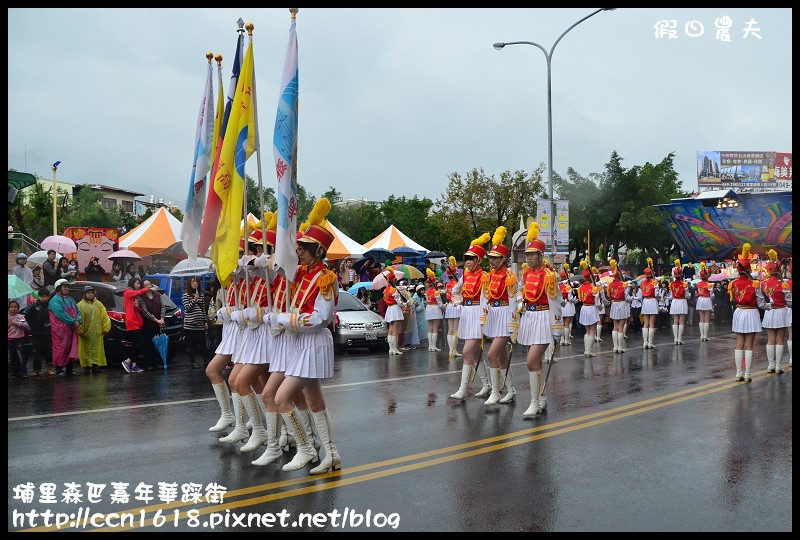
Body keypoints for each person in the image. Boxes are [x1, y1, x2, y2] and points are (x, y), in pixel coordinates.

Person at [266, 199, 342, 474]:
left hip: (314, 341)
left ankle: (307, 448)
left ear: (318, 251)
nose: (298, 251)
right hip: (299, 342)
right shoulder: (299, 274)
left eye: (303, 248)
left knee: (281, 397)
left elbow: (321, 318)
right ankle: (330, 454)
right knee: (314, 401)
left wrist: (286, 320)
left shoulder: (326, 277)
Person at [515, 223, 557, 416]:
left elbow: (556, 301)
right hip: (529, 317)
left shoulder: (549, 275)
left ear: (541, 256)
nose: (529, 257)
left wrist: (557, 325)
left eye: (532, 255)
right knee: (535, 362)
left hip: (543, 317)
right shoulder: (526, 273)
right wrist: (518, 303)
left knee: (532, 361)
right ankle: (541, 398)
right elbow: (521, 291)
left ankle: (534, 402)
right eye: (527, 254)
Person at [449, 232, 492, 400]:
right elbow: (455, 290)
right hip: (466, 314)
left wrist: (483, 318)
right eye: (466, 258)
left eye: (470, 258)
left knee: (467, 352)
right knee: (475, 354)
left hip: (477, 314)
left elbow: (486, 298)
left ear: (478, 260)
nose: (467, 262)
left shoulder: (484, 276)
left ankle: (463, 389)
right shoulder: (465, 275)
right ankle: (487, 385)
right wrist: (458, 302)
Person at [481, 226, 518, 405]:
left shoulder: (510, 276)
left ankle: (495, 391)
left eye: (495, 258)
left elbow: (513, 301)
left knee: (491, 354)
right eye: (490, 258)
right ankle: (511, 390)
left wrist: (513, 323)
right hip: (494, 314)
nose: (492, 261)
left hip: (505, 315)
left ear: (503, 259)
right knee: (502, 356)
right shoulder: (490, 275)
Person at [728, 243, 771, 382]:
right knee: (749, 344)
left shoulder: (732, 283)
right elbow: (760, 303)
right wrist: (769, 307)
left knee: (739, 343)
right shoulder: (755, 283)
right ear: (748, 269)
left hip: (739, 311)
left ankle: (738, 373)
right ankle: (747, 374)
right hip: (751, 312)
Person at [760, 250, 790, 374]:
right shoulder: (783, 284)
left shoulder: (763, 284)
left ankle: (771, 365)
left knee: (770, 339)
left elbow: (762, 299)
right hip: (781, 311)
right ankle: (778, 366)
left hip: (769, 311)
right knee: (780, 339)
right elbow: (789, 300)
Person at [121, 276, 156, 373]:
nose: (138, 285)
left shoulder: (135, 296)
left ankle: (134, 364)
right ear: (132, 283)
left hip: (138, 322)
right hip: (132, 322)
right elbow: (138, 292)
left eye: (139, 283)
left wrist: (137, 307)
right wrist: (148, 289)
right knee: (141, 342)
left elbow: (139, 310)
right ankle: (128, 361)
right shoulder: (128, 292)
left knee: (136, 344)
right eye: (137, 283)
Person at [48, 278, 81, 377]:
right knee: (61, 348)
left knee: (71, 348)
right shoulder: (55, 300)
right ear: (59, 288)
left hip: (71, 328)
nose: (67, 288)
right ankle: (59, 369)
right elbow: (61, 314)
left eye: (67, 286)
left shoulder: (71, 299)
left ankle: (69, 369)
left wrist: (78, 321)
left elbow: (77, 310)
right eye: (64, 286)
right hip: (60, 330)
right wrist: (73, 321)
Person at [77, 284, 111, 374]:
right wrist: (79, 331)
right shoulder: (80, 305)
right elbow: (77, 319)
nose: (91, 295)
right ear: (84, 294)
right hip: (85, 333)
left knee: (97, 350)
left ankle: (95, 366)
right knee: (85, 350)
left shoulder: (99, 304)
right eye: (88, 293)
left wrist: (105, 328)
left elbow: (104, 316)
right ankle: (86, 367)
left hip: (97, 332)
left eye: (92, 293)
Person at [22, 287, 53, 377]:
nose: (43, 298)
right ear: (38, 296)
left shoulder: (51, 305)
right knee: (37, 352)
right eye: (41, 296)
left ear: (48, 297)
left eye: (45, 296)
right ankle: (36, 370)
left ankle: (50, 368)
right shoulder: (34, 305)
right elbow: (26, 312)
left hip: (47, 332)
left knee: (48, 351)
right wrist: (30, 322)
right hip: (36, 332)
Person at [137, 278, 166, 370]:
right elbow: (144, 312)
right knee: (148, 344)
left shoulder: (157, 294)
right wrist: (156, 320)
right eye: (145, 285)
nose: (147, 287)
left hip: (158, 324)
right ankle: (148, 363)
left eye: (149, 284)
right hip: (148, 324)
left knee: (158, 344)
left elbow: (163, 306)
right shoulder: (141, 297)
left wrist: (161, 318)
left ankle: (157, 362)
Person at [182, 275, 208, 370]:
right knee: (191, 345)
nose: (194, 283)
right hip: (190, 325)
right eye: (192, 282)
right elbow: (188, 308)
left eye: (196, 282)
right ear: (189, 283)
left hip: (200, 325)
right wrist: (194, 299)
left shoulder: (201, 295)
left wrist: (205, 321)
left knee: (203, 344)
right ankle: (193, 362)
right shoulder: (186, 295)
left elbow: (203, 308)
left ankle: (206, 361)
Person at [577, 260, 601, 357]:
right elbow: (598, 302)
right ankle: (589, 351)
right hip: (591, 308)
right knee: (592, 329)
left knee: (587, 330)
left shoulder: (581, 287)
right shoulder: (594, 288)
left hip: (584, 307)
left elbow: (580, 298)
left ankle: (586, 350)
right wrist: (601, 307)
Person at [607, 259, 631, 354]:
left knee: (615, 326)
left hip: (614, 304)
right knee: (621, 326)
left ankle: (615, 346)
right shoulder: (624, 284)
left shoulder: (610, 285)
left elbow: (609, 296)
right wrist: (631, 298)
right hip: (622, 304)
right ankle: (620, 347)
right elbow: (626, 297)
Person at [383, 267, 407, 355]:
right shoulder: (394, 290)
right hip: (395, 308)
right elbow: (399, 302)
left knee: (390, 329)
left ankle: (391, 349)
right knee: (395, 329)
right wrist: (404, 304)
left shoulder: (386, 290)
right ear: (393, 280)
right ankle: (395, 349)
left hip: (389, 308)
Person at [442, 256, 462, 358]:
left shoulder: (447, 284)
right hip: (455, 305)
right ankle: (453, 350)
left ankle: (451, 350)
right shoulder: (457, 284)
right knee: (455, 329)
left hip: (450, 305)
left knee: (450, 328)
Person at [668, 259, 689, 345]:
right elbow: (687, 295)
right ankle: (679, 339)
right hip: (682, 301)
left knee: (675, 320)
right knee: (681, 321)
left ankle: (675, 339)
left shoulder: (671, 284)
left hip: (674, 301)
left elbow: (671, 294)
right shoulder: (684, 284)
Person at [640, 259, 659, 348]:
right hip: (652, 301)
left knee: (645, 323)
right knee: (651, 323)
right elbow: (657, 294)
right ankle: (650, 342)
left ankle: (645, 342)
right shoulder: (654, 282)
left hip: (645, 301)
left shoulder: (642, 282)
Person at [8, 300, 30, 378]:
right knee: (11, 357)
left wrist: (17, 324)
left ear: (18, 308)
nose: (13, 308)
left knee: (21, 357)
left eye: (15, 307)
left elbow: (26, 326)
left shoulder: (20, 317)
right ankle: (12, 373)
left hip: (19, 340)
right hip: (9, 340)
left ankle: (23, 372)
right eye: (11, 307)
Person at [423, 269, 443, 352]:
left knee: (430, 328)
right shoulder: (436, 292)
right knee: (435, 328)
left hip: (428, 308)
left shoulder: (427, 291)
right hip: (435, 308)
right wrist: (443, 306)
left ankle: (430, 346)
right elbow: (439, 303)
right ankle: (433, 346)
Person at [695, 262, 714, 341]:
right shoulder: (709, 284)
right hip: (706, 300)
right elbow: (711, 295)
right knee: (707, 319)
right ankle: (705, 335)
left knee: (701, 318)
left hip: (700, 299)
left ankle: (701, 335)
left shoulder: (698, 284)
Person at [558, 264, 576, 346]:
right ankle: (566, 340)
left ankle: (561, 339)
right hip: (568, 305)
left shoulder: (558, 286)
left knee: (562, 323)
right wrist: (575, 300)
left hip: (560, 306)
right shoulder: (568, 287)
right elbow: (570, 298)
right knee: (567, 324)